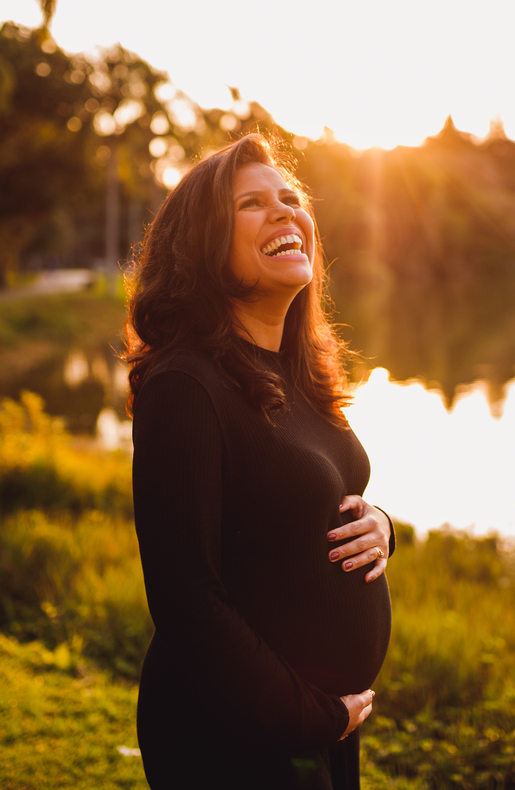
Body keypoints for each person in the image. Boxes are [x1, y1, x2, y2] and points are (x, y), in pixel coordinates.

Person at [125, 133, 395, 790]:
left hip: (317, 729)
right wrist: (311, 715)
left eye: (290, 199)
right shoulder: (185, 387)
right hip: (238, 735)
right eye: (252, 204)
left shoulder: (292, 375)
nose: (284, 212)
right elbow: (188, 600)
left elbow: (302, 511)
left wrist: (384, 527)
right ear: (202, 247)